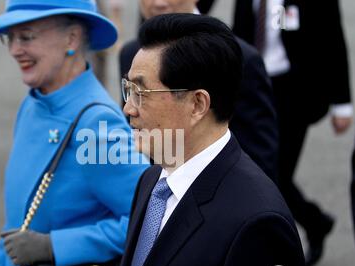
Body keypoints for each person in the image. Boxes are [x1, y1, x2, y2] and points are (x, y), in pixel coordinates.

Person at [117, 13, 305, 266]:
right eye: (128, 89)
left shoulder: (257, 222)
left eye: (141, 92)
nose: (128, 108)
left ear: (197, 104)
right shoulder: (152, 180)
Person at [0, 0, 149, 266]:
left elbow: (148, 220)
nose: (15, 50)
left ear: (71, 39)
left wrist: (55, 245)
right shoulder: (33, 102)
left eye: (27, 36)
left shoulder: (96, 124)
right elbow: (15, 230)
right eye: (11, 37)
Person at [233, 0, 353, 266]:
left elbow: (334, 40)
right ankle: (314, 223)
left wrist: (342, 104)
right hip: (251, 86)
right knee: (251, 169)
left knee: (275, 175)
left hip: (295, 91)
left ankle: (304, 228)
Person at [120, 0, 279, 181]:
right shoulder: (130, 53)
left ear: (199, 102)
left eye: (142, 91)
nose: (158, 2)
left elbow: (260, 159)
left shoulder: (241, 58)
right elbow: (133, 136)